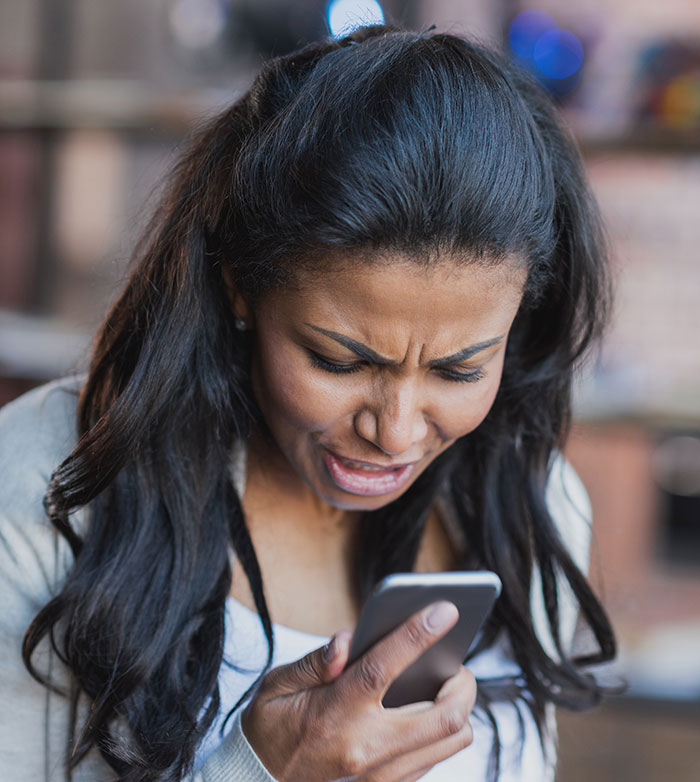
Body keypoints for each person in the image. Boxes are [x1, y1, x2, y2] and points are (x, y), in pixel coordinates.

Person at [0, 24, 616, 782]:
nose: (394, 431)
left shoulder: (537, 505)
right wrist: (258, 770)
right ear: (238, 284)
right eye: (338, 359)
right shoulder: (43, 492)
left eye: (459, 371)